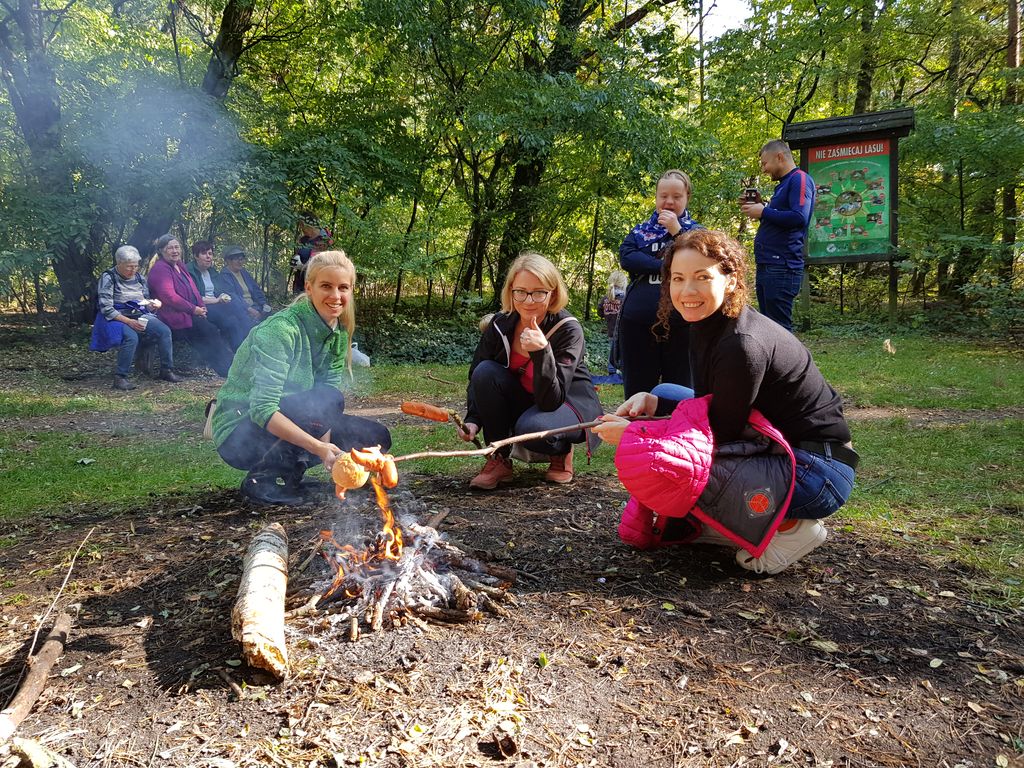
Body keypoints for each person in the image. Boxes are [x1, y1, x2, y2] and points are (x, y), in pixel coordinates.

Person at [594, 229, 857, 575]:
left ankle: (789, 528)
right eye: (678, 278)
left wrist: (637, 436)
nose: (687, 291)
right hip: (783, 445)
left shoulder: (742, 344)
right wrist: (654, 405)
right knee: (665, 393)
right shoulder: (707, 322)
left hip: (817, 474)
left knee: (669, 464)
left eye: (702, 277)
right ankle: (726, 523)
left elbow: (718, 436)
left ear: (730, 281)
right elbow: (707, 404)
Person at [210, 250, 391, 505]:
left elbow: (326, 408)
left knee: (376, 437)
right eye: (326, 286)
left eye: (343, 287)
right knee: (328, 398)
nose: (335, 296)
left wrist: (331, 457)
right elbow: (262, 409)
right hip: (241, 431)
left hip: (298, 417)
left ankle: (291, 473)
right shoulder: (280, 330)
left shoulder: (337, 333)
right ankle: (262, 480)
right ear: (309, 288)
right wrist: (317, 447)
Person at [458, 251, 603, 490]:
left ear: (552, 293)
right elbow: (477, 375)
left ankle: (560, 451)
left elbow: (552, 399)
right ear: (511, 291)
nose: (528, 300)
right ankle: (499, 458)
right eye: (521, 292)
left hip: (565, 403)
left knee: (533, 429)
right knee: (485, 372)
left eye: (538, 292)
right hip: (524, 399)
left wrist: (542, 352)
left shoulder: (568, 330)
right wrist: (472, 419)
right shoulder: (499, 324)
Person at [618, 169, 701, 397]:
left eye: (676, 196)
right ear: (656, 197)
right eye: (663, 196)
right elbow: (627, 257)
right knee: (637, 392)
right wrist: (667, 267)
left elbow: (698, 259)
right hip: (637, 322)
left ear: (687, 198)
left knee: (680, 392)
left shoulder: (697, 232)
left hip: (683, 324)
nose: (669, 202)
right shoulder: (640, 231)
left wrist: (677, 232)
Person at [739, 139, 816, 331]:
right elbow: (779, 221)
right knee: (769, 327)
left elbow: (799, 217)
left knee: (779, 329)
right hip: (768, 264)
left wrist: (764, 211)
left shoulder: (799, 179)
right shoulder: (783, 184)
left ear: (779, 157)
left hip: (782, 265)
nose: (764, 169)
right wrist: (762, 207)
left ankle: (788, 353)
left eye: (765, 163)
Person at [90, 245, 181, 390]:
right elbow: (106, 308)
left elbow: (144, 302)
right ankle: (120, 377)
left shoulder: (139, 278)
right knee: (131, 337)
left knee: (164, 331)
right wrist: (129, 322)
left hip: (138, 314)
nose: (133, 270)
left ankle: (166, 370)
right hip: (115, 317)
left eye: (136, 266)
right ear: (119, 263)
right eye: (129, 267)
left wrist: (153, 305)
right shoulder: (109, 277)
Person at [147, 234, 234, 377]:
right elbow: (170, 297)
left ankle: (230, 365)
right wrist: (194, 309)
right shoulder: (160, 269)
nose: (175, 251)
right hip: (171, 315)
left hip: (187, 312)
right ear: (161, 250)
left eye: (177, 247)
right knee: (208, 331)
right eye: (170, 248)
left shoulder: (179, 265)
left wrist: (201, 307)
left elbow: (193, 290)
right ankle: (225, 369)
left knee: (216, 325)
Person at [186, 241, 254, 350]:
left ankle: (251, 341)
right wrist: (217, 300)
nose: (208, 257)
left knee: (237, 307)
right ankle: (239, 350)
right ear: (196, 256)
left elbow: (221, 290)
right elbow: (194, 297)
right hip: (203, 307)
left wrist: (223, 295)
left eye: (210, 253)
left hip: (217, 304)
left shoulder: (211, 271)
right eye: (204, 253)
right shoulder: (189, 271)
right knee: (231, 321)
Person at [219, 245, 273, 323]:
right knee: (248, 323)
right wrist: (249, 309)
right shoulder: (225, 275)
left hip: (254, 306)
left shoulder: (244, 273)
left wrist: (264, 304)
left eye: (241, 259)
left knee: (272, 317)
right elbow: (232, 297)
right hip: (240, 310)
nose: (240, 262)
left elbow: (256, 289)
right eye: (236, 259)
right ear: (228, 261)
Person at [291, 212, 334, 294]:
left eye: (302, 225)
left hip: (315, 283)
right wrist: (295, 260)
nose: (301, 228)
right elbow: (297, 254)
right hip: (300, 282)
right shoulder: (303, 239)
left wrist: (302, 266)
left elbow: (318, 263)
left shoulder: (323, 239)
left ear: (309, 225)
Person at [596, 270, 626, 375]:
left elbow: (599, 312)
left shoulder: (606, 298)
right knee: (623, 352)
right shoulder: (625, 298)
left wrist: (608, 315)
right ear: (623, 283)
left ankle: (612, 370)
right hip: (623, 331)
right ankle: (619, 371)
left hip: (611, 330)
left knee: (613, 351)